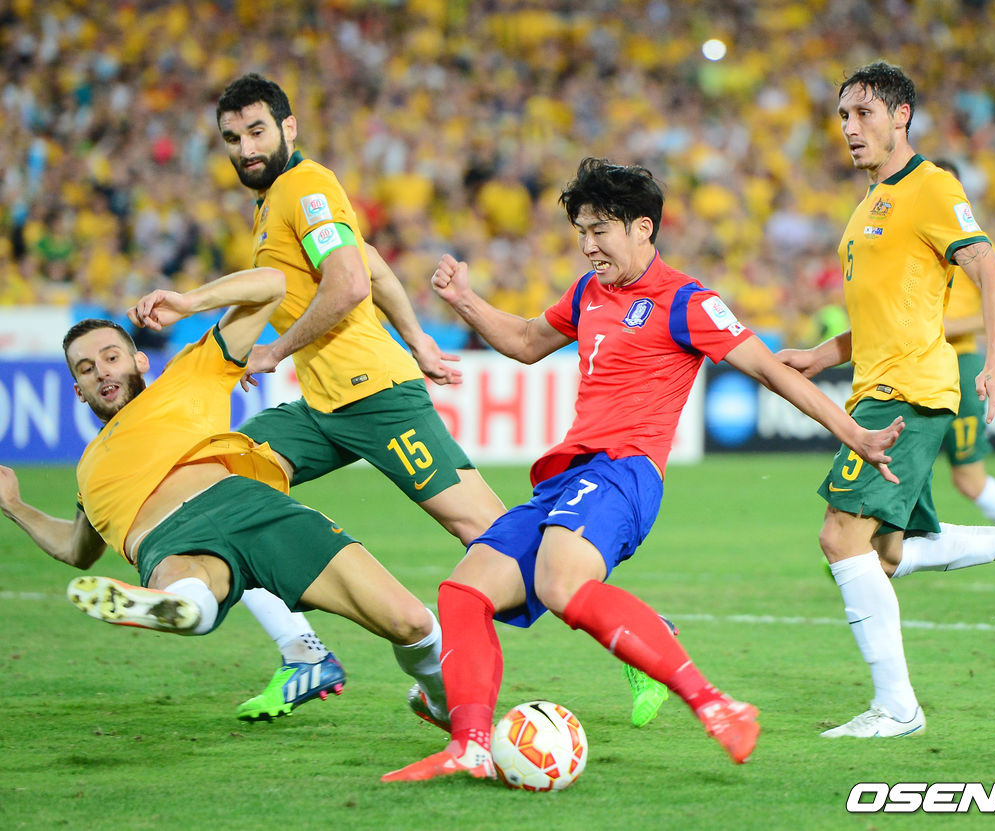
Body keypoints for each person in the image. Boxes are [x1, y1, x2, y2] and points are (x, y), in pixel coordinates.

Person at [381, 157, 905, 782]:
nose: (587, 245)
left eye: (600, 229)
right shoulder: (587, 294)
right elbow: (524, 343)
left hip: (623, 475)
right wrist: (466, 300)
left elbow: (769, 370)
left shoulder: (687, 301)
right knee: (463, 594)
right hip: (566, 479)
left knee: (559, 586)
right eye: (580, 230)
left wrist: (855, 435)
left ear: (643, 229)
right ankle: (468, 744)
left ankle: (717, 705)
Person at [0, 267, 449, 728]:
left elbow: (272, 284)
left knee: (412, 623)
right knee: (187, 579)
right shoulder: (87, 470)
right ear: (78, 390)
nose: (102, 372)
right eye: (87, 369)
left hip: (245, 504)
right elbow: (76, 550)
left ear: (139, 362)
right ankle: (181, 606)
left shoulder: (190, 373)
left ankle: (440, 702)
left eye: (111, 357)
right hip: (165, 539)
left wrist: (190, 302)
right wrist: (14, 505)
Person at [213, 72, 506, 722]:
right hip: (322, 409)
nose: (245, 146)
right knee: (218, 487)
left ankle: (629, 630)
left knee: (487, 532)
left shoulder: (305, 185)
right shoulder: (276, 202)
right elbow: (368, 260)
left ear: (289, 128)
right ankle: (303, 652)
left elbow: (346, 284)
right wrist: (420, 339)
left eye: (257, 130)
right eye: (232, 137)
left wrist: (273, 350)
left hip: (375, 397)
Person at [777, 62, 995, 739]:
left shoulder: (932, 187)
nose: (851, 129)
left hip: (908, 392)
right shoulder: (867, 207)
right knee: (886, 551)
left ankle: (897, 708)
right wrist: (820, 355)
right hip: (876, 387)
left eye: (864, 114)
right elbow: (888, 314)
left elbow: (992, 276)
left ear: (901, 114)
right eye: (844, 118)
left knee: (840, 535)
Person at [933, 159, 995, 601]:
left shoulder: (974, 244)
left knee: (968, 479)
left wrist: (945, 326)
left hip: (959, 366)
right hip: (913, 366)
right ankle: (864, 548)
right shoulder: (917, 240)